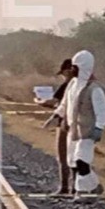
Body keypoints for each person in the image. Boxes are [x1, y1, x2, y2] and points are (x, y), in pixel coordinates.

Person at [52, 50, 105, 196]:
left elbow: (102, 111)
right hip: (73, 131)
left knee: (81, 161)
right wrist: (58, 113)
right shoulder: (72, 85)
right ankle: (94, 186)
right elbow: (65, 103)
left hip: (87, 132)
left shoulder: (94, 90)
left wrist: (99, 128)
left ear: (83, 68)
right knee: (72, 161)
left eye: (75, 67)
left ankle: (82, 192)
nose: (72, 70)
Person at [38, 58, 76, 194]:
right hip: (78, 125)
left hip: (64, 124)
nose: (63, 76)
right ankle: (75, 188)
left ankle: (65, 187)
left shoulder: (67, 85)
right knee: (75, 156)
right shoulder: (82, 85)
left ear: (68, 71)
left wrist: (39, 101)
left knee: (63, 156)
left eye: (63, 73)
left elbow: (55, 103)